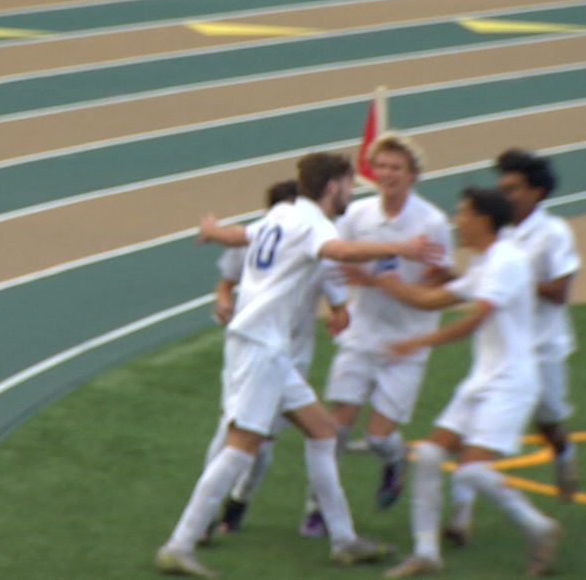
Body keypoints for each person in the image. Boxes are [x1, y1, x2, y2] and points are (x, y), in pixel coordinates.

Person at [155, 152, 445, 578]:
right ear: (332, 186)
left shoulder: (282, 214)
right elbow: (340, 249)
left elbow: (241, 236)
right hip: (263, 347)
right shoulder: (313, 223)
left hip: (262, 346)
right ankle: (179, 544)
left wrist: (212, 232)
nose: (352, 191)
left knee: (323, 431)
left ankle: (344, 540)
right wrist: (401, 247)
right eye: (349, 183)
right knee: (241, 445)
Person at [342, 187, 561, 578]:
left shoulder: (507, 262)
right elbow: (430, 301)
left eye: (463, 214)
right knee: (427, 455)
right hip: (484, 379)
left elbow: (473, 319)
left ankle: (540, 528)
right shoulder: (484, 262)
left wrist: (416, 342)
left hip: (510, 384)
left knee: (472, 471)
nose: (456, 221)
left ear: (484, 220)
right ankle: (427, 553)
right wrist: (380, 280)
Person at [303, 133, 454, 536]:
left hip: (406, 341)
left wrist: (381, 283)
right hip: (361, 333)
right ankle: (318, 506)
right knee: (334, 427)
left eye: (396, 167)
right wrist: (337, 306)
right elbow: (335, 261)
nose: (387, 174)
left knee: (377, 435)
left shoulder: (432, 223)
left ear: (413, 174)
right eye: (381, 166)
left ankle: (394, 457)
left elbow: (438, 288)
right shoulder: (358, 215)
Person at [444, 149, 582, 544]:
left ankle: (564, 454)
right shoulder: (496, 233)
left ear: (537, 191)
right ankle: (460, 517)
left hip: (543, 349)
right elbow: (479, 283)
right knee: (473, 432)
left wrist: (516, 280)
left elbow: (560, 292)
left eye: (513, 188)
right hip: (500, 353)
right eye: (501, 187)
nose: (505, 195)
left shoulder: (554, 233)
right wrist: (451, 277)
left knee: (549, 421)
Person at [203, 179, 349, 538]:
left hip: (290, 358)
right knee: (234, 436)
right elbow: (226, 280)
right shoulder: (264, 236)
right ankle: (199, 526)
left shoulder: (312, 245)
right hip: (259, 351)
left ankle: (237, 504)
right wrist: (223, 299)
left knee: (263, 444)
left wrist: (338, 316)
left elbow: (340, 303)